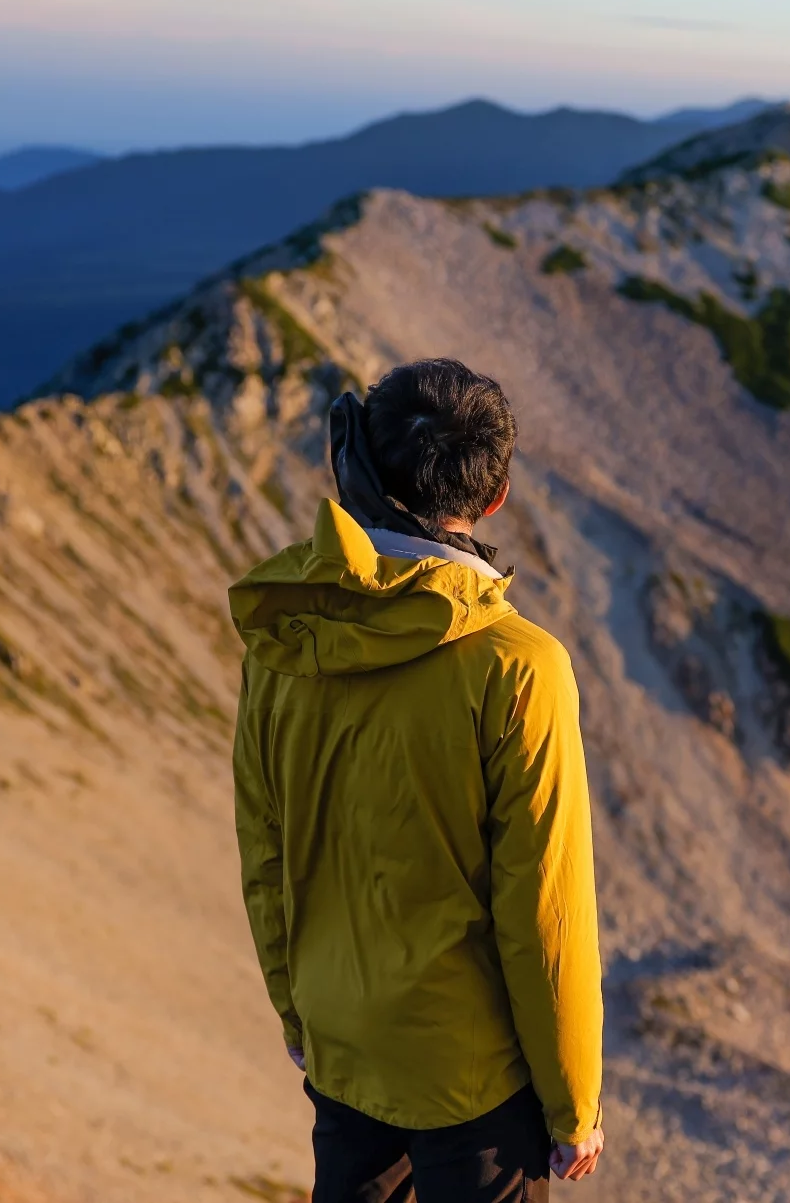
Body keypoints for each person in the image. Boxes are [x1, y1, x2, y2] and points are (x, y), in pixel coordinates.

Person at [229, 359, 604, 1203]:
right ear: (496, 494)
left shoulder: (288, 634)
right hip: (472, 1082)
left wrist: (300, 1015)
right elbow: (543, 911)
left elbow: (266, 849)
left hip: (341, 1044)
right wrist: (574, 1102)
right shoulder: (520, 667)